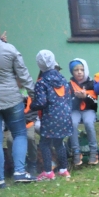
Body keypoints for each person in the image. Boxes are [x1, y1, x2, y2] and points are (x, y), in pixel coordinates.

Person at [0, 14, 36, 188]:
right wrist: (33, 94)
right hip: (12, 99)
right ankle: (20, 172)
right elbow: (23, 75)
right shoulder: (9, 49)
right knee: (20, 134)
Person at [31, 50, 73, 180]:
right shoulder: (62, 79)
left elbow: (41, 102)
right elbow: (68, 98)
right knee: (59, 142)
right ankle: (64, 169)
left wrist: (31, 105)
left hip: (50, 117)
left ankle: (48, 171)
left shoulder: (41, 82)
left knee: (45, 143)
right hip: (64, 115)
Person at [68, 58, 99, 166]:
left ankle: (94, 151)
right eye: (76, 70)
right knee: (72, 123)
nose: (79, 72)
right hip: (75, 111)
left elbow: (94, 102)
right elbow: (67, 102)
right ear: (72, 72)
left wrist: (86, 97)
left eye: (82, 69)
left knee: (88, 123)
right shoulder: (69, 85)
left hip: (88, 110)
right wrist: (76, 97)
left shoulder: (91, 83)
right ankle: (76, 151)